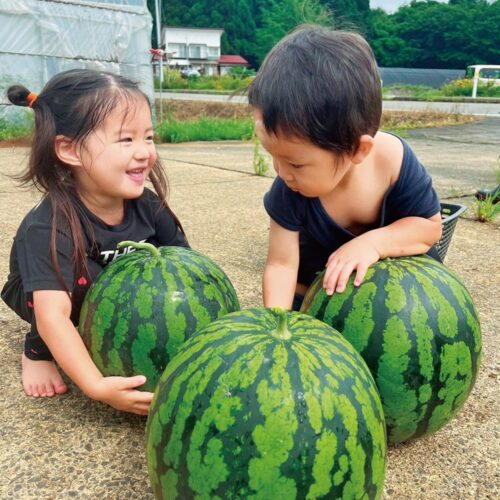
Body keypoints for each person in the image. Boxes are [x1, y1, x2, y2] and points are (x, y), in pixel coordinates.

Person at [1, 69, 188, 415]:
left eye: (148, 137)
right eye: (125, 140)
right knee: (85, 278)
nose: (145, 152)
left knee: (135, 273)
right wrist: (95, 385)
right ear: (70, 151)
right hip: (41, 293)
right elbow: (53, 314)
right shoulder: (47, 227)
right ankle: (37, 351)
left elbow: (185, 267)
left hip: (105, 284)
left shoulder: (148, 205)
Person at [248, 26, 443, 311]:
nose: (281, 172)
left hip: (398, 306)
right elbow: (281, 265)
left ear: (357, 149)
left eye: (296, 163)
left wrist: (373, 244)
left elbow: (429, 228)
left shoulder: (393, 162)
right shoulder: (288, 190)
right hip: (317, 297)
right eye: (274, 157)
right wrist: (279, 324)